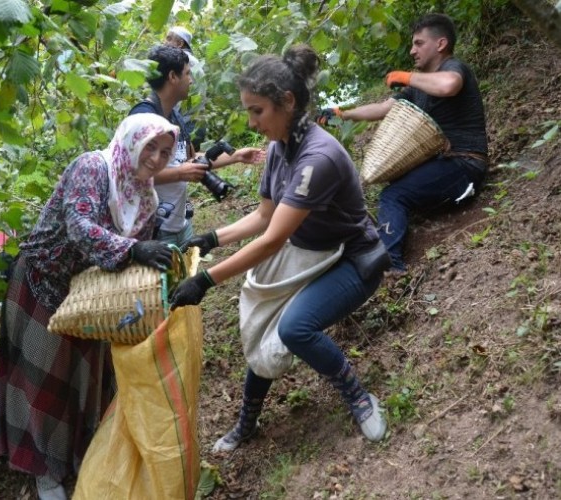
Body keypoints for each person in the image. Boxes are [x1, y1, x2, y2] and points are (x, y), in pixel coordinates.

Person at [170, 44, 390, 452]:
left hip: (352, 259)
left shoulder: (316, 157)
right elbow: (264, 217)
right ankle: (247, 421)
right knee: (262, 329)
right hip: (310, 253)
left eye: (258, 111)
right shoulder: (278, 148)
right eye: (248, 111)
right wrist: (213, 237)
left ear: (287, 102)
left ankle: (358, 396)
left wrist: (206, 280)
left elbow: (271, 239)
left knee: (292, 328)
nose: (252, 122)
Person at [0, 113, 179, 500]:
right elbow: (79, 225)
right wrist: (134, 248)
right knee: (42, 380)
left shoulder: (145, 197)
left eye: (165, 152)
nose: (157, 159)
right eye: (151, 147)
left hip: (91, 298)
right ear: (131, 141)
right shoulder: (93, 168)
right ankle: (45, 471)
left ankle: (78, 455)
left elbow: (136, 255)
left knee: (85, 380)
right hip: (44, 285)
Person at [316, 13, 488, 275]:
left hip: (465, 165)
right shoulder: (420, 86)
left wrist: (407, 77)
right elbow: (385, 107)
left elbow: (449, 85)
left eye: (419, 43)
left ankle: (391, 266)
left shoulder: (453, 69)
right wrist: (342, 113)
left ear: (440, 44)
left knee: (393, 195)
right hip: (445, 163)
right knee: (393, 188)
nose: (412, 50)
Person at [129, 45, 265, 247]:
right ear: (173, 77)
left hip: (180, 223)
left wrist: (236, 156)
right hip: (151, 230)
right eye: (187, 73)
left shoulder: (175, 117)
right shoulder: (143, 118)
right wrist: (180, 173)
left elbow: (190, 161)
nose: (191, 80)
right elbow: (131, 174)